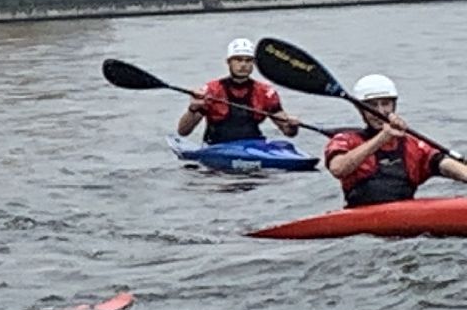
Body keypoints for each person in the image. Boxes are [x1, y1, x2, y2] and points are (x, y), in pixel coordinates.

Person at [323, 74, 467, 207]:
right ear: (360, 109)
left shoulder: (410, 144)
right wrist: (382, 138)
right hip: (360, 220)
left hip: (405, 219)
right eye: (372, 105)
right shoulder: (346, 139)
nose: (380, 111)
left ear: (394, 106)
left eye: (385, 104)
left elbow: (440, 162)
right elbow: (338, 168)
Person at [178, 38, 300, 144]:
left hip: (254, 147)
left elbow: (288, 132)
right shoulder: (211, 90)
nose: (243, 65)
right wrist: (192, 109)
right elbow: (183, 131)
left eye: (248, 60)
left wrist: (292, 125)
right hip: (217, 147)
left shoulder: (266, 92)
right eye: (238, 60)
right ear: (228, 62)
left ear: (254, 63)